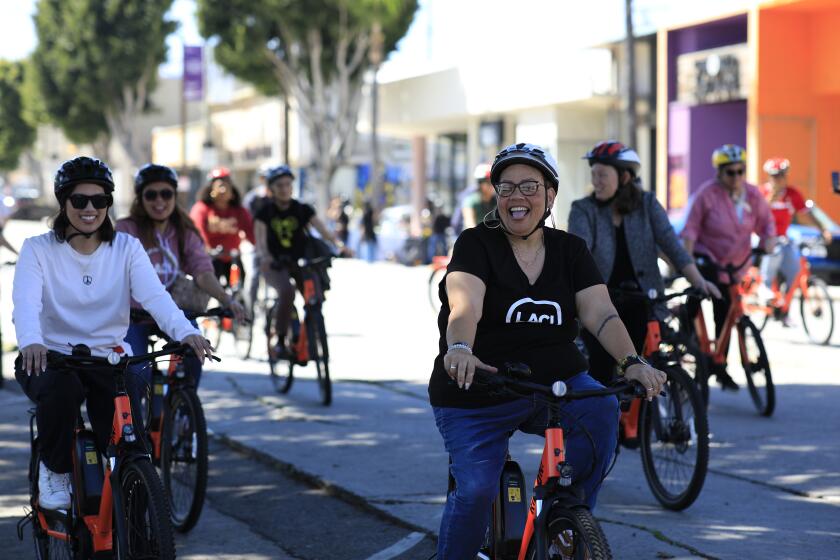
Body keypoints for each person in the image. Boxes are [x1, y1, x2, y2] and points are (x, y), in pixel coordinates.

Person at [429, 143, 667, 560]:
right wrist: (461, 348)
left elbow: (600, 313)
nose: (516, 197)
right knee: (477, 491)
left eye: (529, 186)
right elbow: (465, 304)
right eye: (506, 188)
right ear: (495, 196)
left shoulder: (569, 249)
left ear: (551, 195)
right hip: (478, 387)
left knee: (600, 410)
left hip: (553, 385)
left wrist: (632, 362)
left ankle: (565, 518)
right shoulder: (475, 243)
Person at [12, 156, 213, 511]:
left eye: (99, 200)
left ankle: (130, 498)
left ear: (108, 203)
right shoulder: (38, 249)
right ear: (64, 203)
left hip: (109, 358)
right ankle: (54, 469)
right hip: (51, 357)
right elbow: (25, 303)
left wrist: (186, 332)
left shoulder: (126, 248)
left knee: (129, 441)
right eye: (79, 200)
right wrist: (31, 341)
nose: (90, 208)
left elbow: (155, 297)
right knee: (62, 392)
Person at [569, 140, 721, 386]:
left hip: (644, 298)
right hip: (601, 302)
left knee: (650, 362)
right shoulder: (584, 210)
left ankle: (646, 419)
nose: (596, 181)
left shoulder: (647, 204)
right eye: (593, 174)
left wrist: (699, 281)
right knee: (601, 369)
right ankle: (612, 420)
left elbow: (672, 245)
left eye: (603, 175)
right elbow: (578, 251)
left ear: (625, 177)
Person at [681, 144, 776, 391]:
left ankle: (719, 367)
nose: (736, 177)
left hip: (737, 262)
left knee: (727, 314)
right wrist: (687, 260)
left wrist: (769, 241)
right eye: (730, 172)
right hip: (707, 258)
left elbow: (767, 223)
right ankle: (685, 337)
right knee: (700, 295)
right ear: (719, 173)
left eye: (740, 171)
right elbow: (690, 229)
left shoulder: (753, 195)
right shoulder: (707, 194)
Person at [253, 165, 350, 358]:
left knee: (315, 293)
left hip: (300, 261)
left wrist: (340, 245)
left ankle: (312, 334)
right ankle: (280, 340)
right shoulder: (264, 212)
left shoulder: (302, 209)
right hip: (275, 263)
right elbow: (261, 242)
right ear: (271, 188)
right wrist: (266, 257)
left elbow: (323, 230)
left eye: (288, 184)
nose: (284, 188)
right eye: (279, 185)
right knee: (287, 293)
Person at [758, 157, 831, 310]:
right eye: (775, 175)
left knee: (795, 268)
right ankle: (764, 287)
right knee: (775, 251)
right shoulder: (762, 192)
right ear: (769, 176)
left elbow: (806, 214)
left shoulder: (792, 194)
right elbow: (756, 216)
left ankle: (784, 308)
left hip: (783, 238)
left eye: (782, 175)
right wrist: (770, 199)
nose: (779, 179)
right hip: (763, 237)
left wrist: (822, 229)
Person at [189, 166, 255, 287]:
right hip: (211, 259)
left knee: (239, 289)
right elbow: (198, 232)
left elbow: (251, 232)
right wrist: (206, 250)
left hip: (233, 258)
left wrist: (262, 249)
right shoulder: (201, 209)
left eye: (227, 185)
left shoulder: (239, 210)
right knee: (210, 288)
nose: (223, 190)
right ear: (211, 190)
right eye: (220, 186)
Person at [460, 162, 496, 230]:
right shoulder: (470, 201)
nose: (492, 185)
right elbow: (469, 224)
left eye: (494, 182)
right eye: (489, 182)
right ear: (480, 183)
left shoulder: (497, 201)